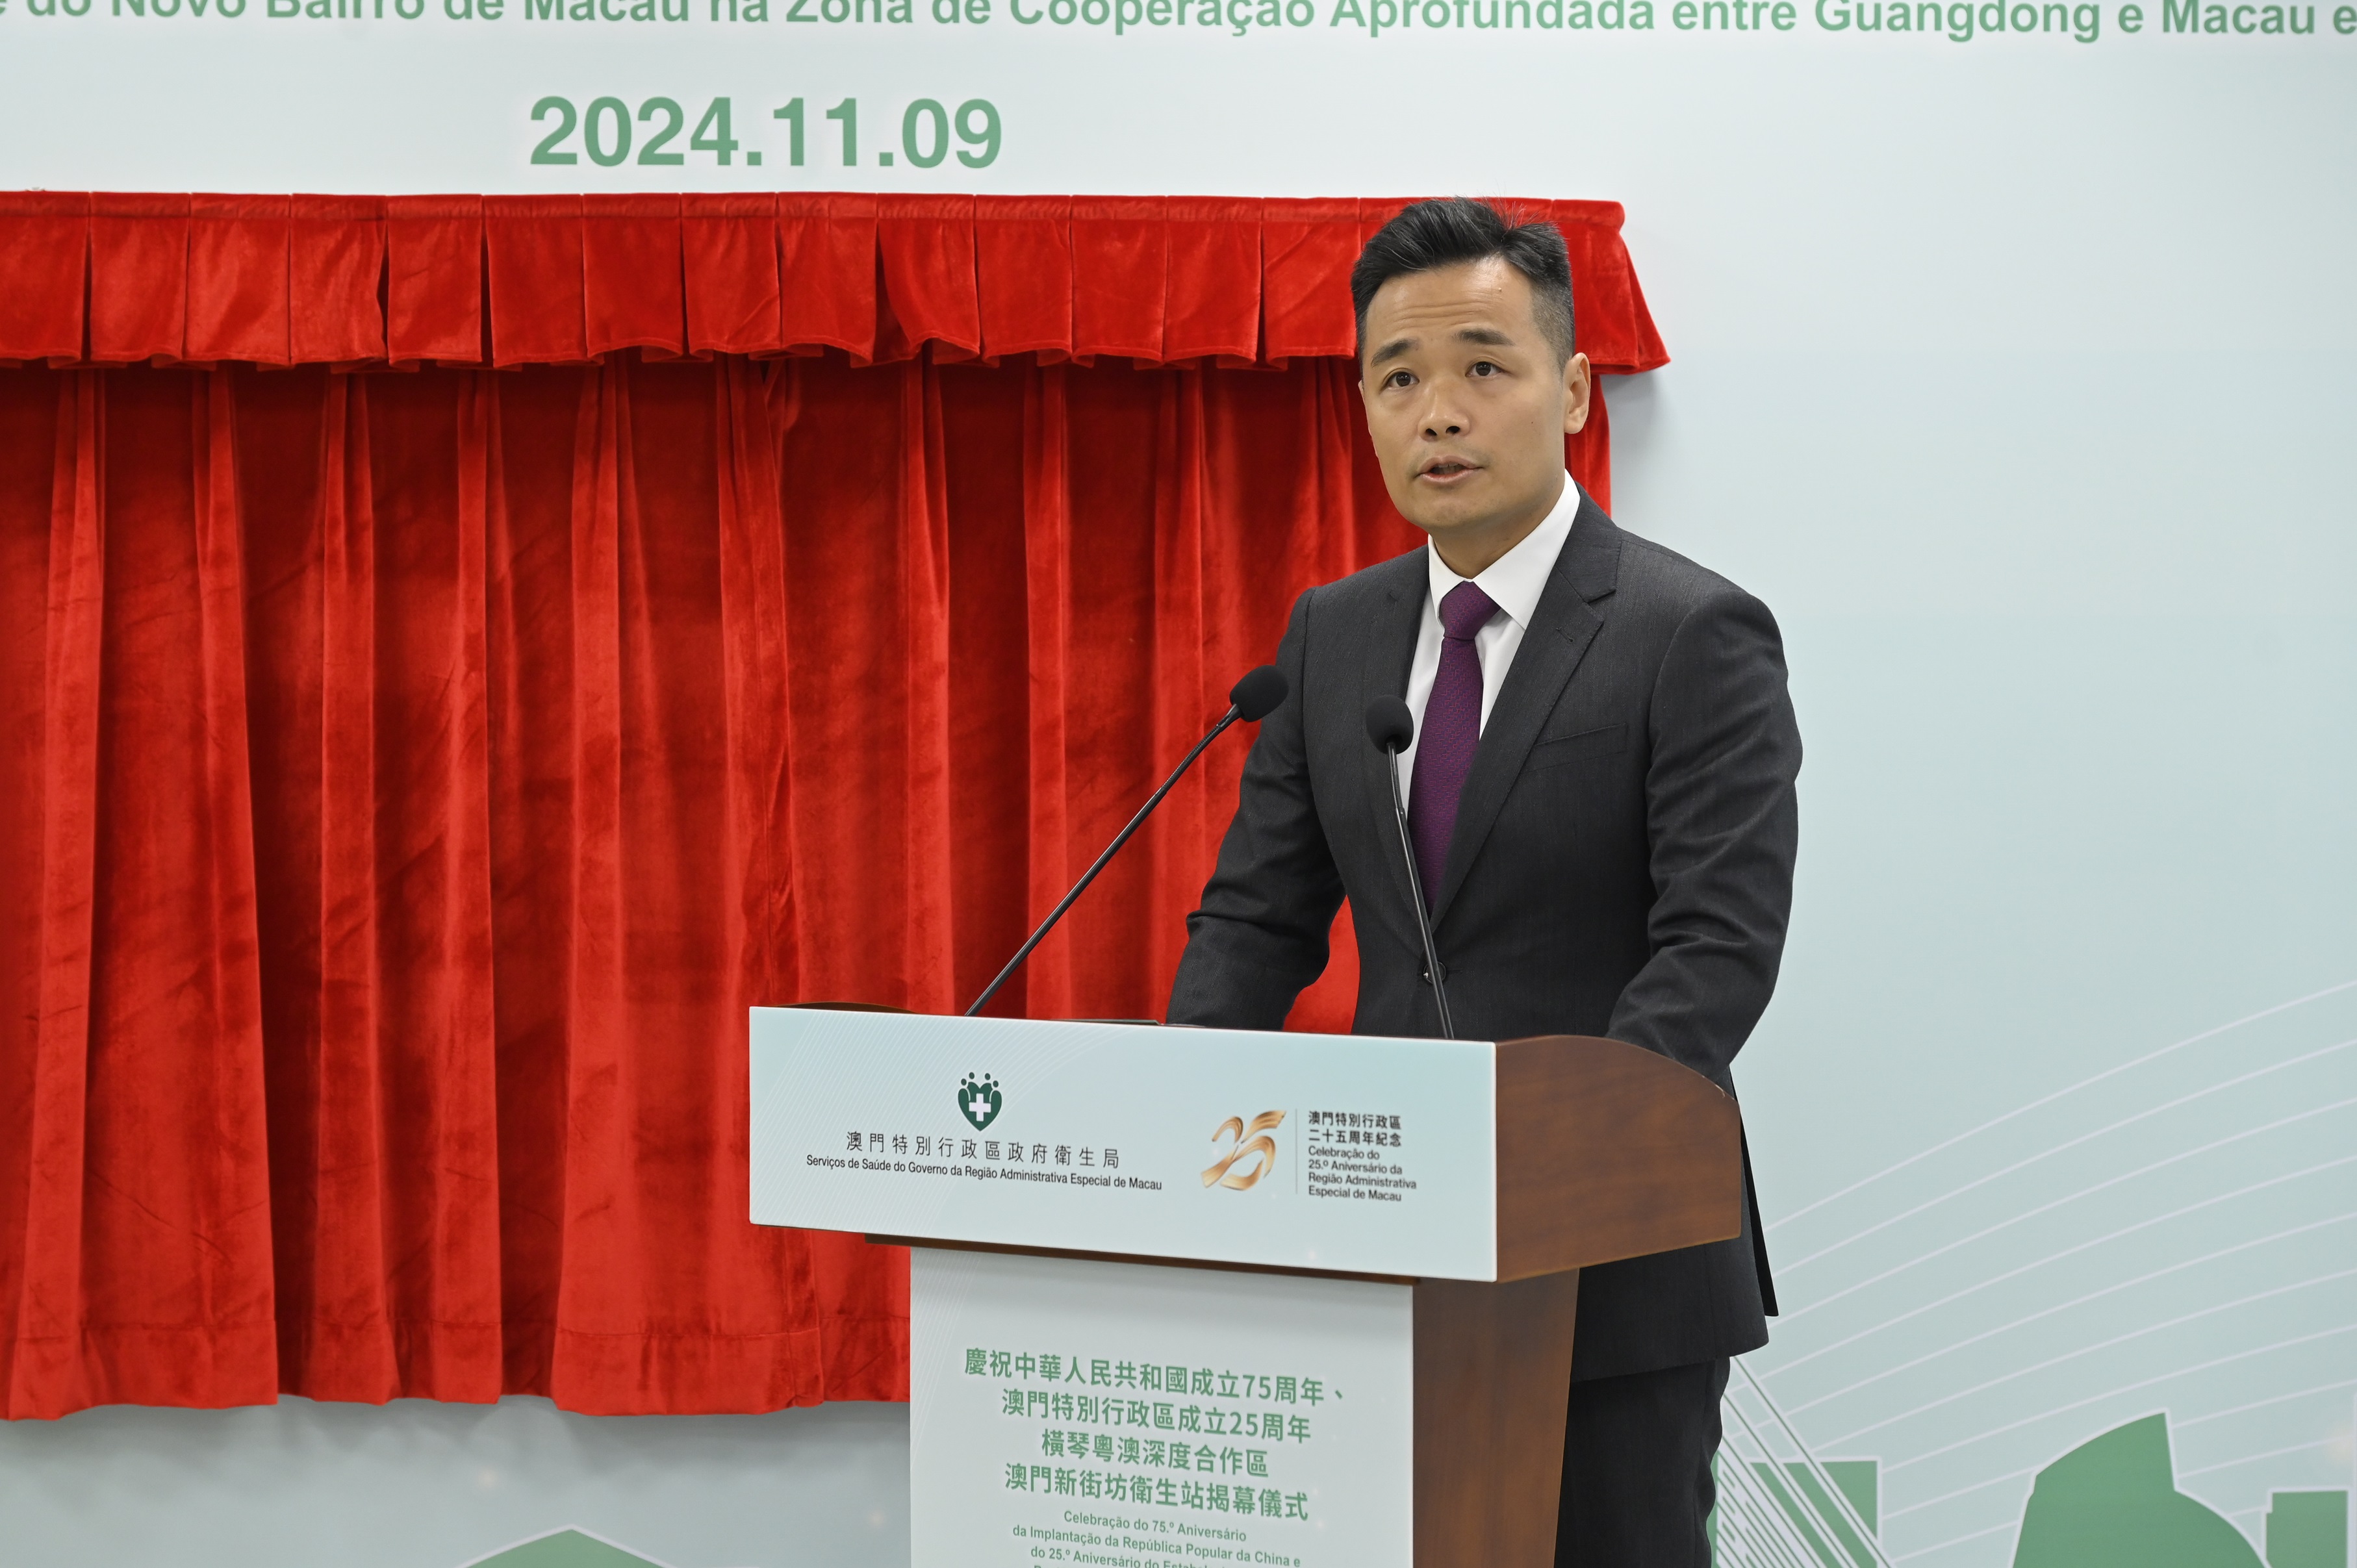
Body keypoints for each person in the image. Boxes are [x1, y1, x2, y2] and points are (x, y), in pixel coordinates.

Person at [1167, 197, 1800, 1565]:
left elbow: (1715, 950)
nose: (1436, 412)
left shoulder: (1690, 630)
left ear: (1570, 391)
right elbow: (1256, 918)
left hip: (1611, 1265)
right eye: (1397, 379)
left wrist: (1551, 1165)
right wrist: (1172, 1114)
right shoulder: (1333, 637)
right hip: (1381, 1253)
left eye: (1481, 366)